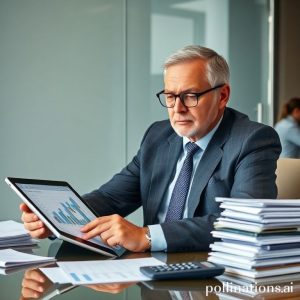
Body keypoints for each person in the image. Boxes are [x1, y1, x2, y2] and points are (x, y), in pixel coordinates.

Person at [20, 45, 281, 253]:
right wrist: (55, 218)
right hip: (148, 270)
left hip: (211, 276)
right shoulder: (159, 136)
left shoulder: (253, 140)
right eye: (170, 96)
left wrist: (146, 236)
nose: (177, 109)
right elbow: (111, 199)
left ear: (222, 96)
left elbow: (244, 223)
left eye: (190, 96)